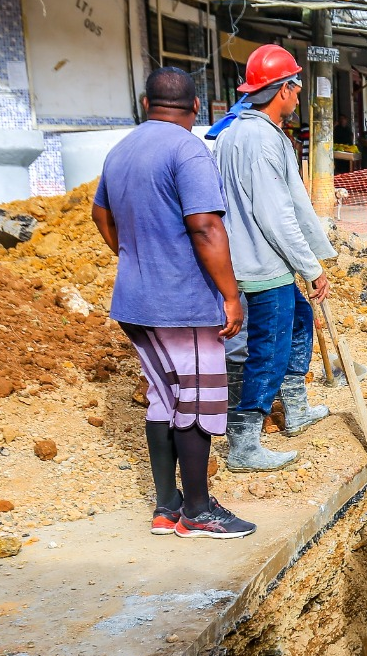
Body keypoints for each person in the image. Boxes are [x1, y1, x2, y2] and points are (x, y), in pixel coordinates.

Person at [91, 67, 255, 539]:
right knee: (198, 401)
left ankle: (167, 507)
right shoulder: (188, 149)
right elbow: (205, 227)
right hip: (183, 303)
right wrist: (229, 295)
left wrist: (136, 258)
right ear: (197, 107)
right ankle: (199, 511)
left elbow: (101, 215)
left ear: (145, 104)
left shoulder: (121, 149)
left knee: (163, 399)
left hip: (136, 302)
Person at [216, 44, 335, 472]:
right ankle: (244, 443)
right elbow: (278, 215)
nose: (300, 95)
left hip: (245, 259)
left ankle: (295, 406)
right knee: (267, 350)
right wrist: (311, 267)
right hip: (264, 265)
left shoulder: (230, 134)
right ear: (283, 89)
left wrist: (319, 253)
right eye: (297, 86)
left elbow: (294, 206)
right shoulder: (265, 140)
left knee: (300, 321)